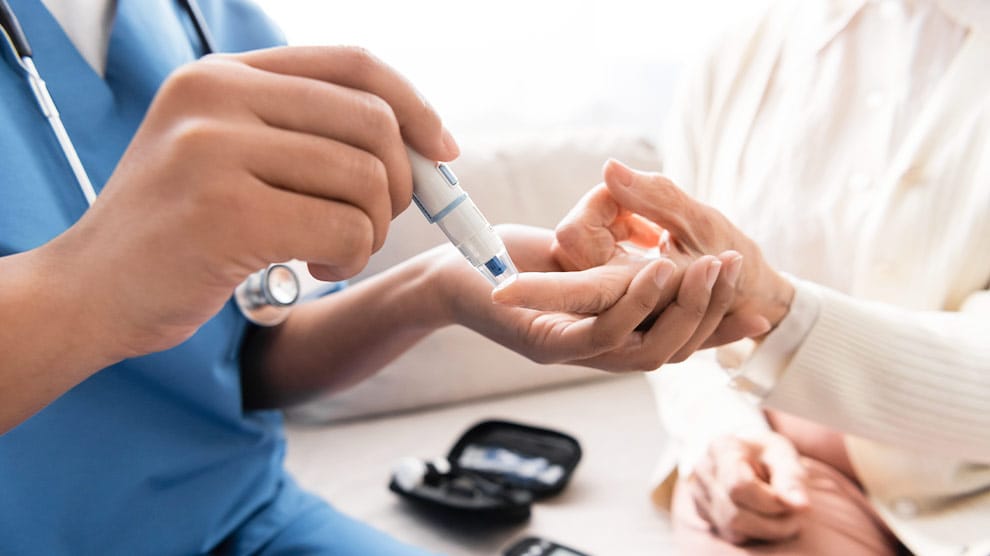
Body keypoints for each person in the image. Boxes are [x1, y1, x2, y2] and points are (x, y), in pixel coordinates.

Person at [0, 1, 742, 554]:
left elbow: (246, 361)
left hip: (239, 519)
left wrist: (442, 288)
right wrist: (94, 282)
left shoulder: (205, 17)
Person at [496, 0, 990, 554]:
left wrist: (777, 305)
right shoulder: (737, 53)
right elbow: (684, 317)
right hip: (781, 477)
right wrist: (721, 431)